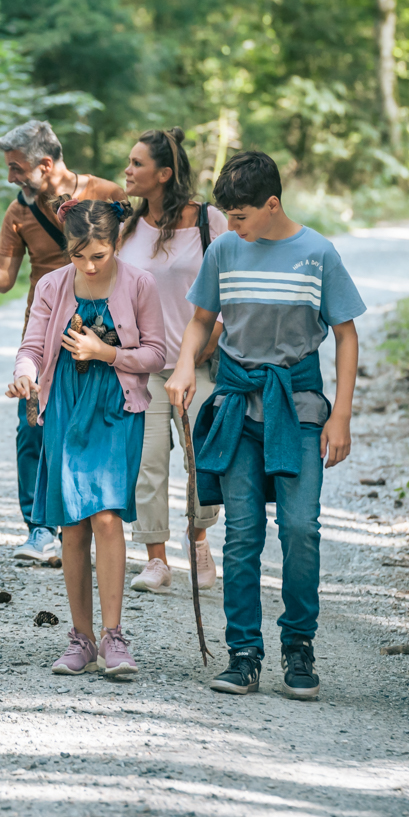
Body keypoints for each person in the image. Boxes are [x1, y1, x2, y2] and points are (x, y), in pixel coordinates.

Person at [165, 150, 364, 701]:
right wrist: (185, 368)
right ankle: (244, 652)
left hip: (297, 407)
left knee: (301, 528)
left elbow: (346, 336)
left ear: (272, 204)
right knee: (243, 533)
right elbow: (201, 321)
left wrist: (340, 414)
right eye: (227, 215)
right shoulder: (225, 250)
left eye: (242, 215)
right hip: (236, 407)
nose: (231, 225)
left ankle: (298, 646)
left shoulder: (317, 253)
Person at [0, 120, 126, 563]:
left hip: (105, 335)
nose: (11, 177)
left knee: (96, 427)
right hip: (44, 336)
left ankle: (96, 522)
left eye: (17, 169)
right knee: (31, 430)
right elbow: (2, 278)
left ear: (47, 164)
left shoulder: (108, 194)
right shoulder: (19, 213)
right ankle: (40, 529)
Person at [6, 198, 166, 678]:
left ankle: (115, 637)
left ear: (116, 243)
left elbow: (157, 353)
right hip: (65, 406)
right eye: (79, 255)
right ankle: (81, 638)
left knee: (106, 516)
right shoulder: (53, 285)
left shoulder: (140, 283)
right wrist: (23, 374)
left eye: (99, 254)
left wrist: (106, 353)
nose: (90, 265)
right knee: (72, 524)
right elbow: (33, 346)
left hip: (117, 406)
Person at [116, 127, 227, 595]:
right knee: (149, 462)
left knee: (203, 459)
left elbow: (228, 290)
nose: (128, 170)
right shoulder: (126, 226)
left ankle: (198, 540)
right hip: (143, 367)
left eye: (137, 163)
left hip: (199, 362)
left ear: (164, 174)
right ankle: (156, 559)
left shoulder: (210, 222)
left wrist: (202, 347)